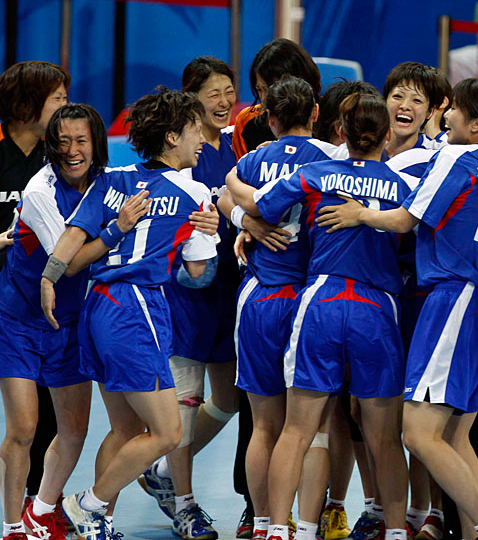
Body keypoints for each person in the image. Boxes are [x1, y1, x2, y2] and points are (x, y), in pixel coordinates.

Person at [317, 79, 478, 540]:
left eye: (454, 110)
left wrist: (359, 214)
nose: (444, 116)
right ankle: (475, 532)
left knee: (416, 434)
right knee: (454, 437)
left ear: (476, 124)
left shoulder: (452, 156)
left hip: (455, 301)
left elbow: (404, 219)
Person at [41, 88, 219, 538]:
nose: (202, 139)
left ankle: (98, 522)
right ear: (173, 136)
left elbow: (72, 241)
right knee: (168, 433)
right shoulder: (195, 191)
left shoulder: (112, 177)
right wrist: (211, 232)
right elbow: (198, 271)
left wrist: (48, 277)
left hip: (98, 307)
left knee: (124, 429)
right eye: (196, 130)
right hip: (137, 309)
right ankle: (88, 504)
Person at [253, 92, 411, 540]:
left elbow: (261, 206)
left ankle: (278, 530)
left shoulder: (315, 173)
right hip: (376, 311)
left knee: (297, 430)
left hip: (320, 304)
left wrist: (237, 200)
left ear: (340, 133)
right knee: (384, 439)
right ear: (386, 135)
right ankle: (396, 532)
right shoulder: (404, 188)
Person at [222, 75, 338, 540]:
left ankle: (264, 523)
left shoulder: (252, 160)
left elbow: (225, 196)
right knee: (313, 429)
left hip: (258, 299)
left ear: (269, 119)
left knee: (264, 426)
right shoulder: (333, 158)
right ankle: (304, 527)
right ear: (316, 113)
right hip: (310, 300)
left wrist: (246, 222)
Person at [137, 57, 239, 540]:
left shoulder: (238, 146)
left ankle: (161, 468)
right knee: (186, 401)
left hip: (231, 291)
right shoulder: (180, 160)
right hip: (187, 294)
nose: (224, 101)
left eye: (229, 91)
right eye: (213, 93)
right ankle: (184, 503)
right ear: (191, 101)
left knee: (230, 398)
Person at [0, 105, 106, 540]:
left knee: (74, 429)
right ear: (50, 146)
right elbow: (69, 259)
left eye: (81, 141)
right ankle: (12, 526)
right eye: (63, 142)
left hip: (71, 323)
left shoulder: (108, 182)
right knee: (23, 428)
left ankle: (40, 511)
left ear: (96, 143)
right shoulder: (39, 189)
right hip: (19, 322)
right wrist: (118, 228)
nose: (72, 151)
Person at [0, 61, 69, 521]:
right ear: (27, 104)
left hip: (37, 306)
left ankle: (37, 506)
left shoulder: (58, 158)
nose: (66, 108)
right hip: (4, 303)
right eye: (58, 99)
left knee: (42, 414)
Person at [232, 38, 323, 159]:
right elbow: (240, 169)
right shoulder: (247, 122)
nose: (265, 98)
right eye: (260, 89)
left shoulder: (331, 115)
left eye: (272, 88)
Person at [383, 62, 450, 157]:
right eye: (398, 96)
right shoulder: (365, 147)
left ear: (430, 112)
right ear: (385, 101)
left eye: (417, 100)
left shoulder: (439, 155)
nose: (405, 106)